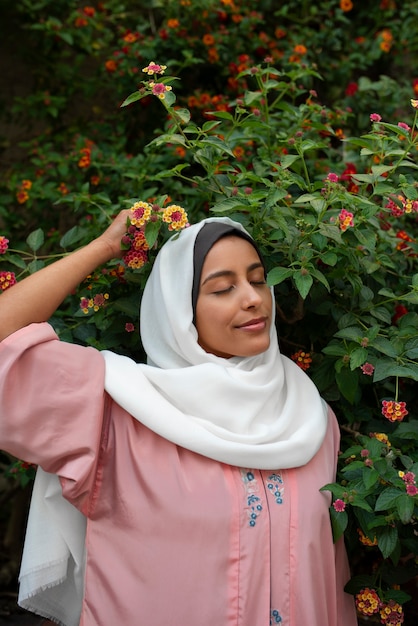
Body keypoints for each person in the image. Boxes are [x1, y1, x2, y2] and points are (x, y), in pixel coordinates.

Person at [0, 211, 358, 626]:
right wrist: (103, 248)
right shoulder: (115, 412)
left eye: (258, 279)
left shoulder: (310, 418)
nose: (253, 298)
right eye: (223, 288)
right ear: (179, 311)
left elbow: (330, 582)